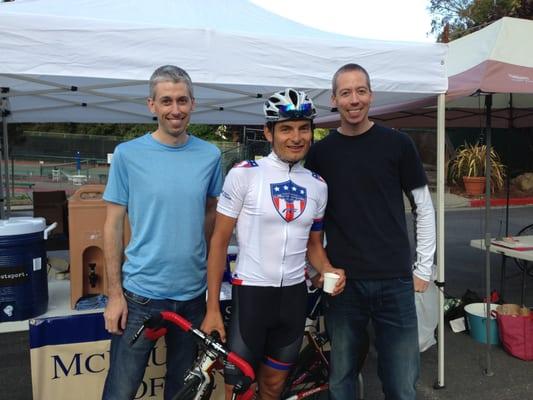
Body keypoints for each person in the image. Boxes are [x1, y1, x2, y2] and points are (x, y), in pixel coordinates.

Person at [201, 88, 346, 400]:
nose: (296, 137)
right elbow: (218, 243)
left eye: (303, 128)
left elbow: (314, 246)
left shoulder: (318, 186)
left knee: (273, 388)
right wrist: (212, 307)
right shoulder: (245, 175)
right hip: (251, 295)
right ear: (269, 132)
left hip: (294, 298)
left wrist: (328, 269)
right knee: (239, 390)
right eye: (286, 129)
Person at [304, 63, 436, 400]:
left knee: (401, 382)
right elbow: (308, 221)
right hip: (343, 284)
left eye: (360, 91)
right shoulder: (320, 153)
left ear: (371, 95)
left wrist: (424, 268)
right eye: (345, 92)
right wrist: (316, 271)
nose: (354, 99)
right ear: (334, 99)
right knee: (342, 379)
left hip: (395, 281)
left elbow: (423, 205)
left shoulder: (398, 144)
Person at [101, 65, 223, 400]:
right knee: (121, 390)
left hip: (193, 295)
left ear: (193, 104)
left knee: (183, 391)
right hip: (141, 295)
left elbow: (212, 214)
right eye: (166, 101)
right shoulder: (128, 155)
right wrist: (114, 295)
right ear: (151, 105)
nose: (175, 109)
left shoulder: (210, 155)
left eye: (182, 100)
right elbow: (112, 225)